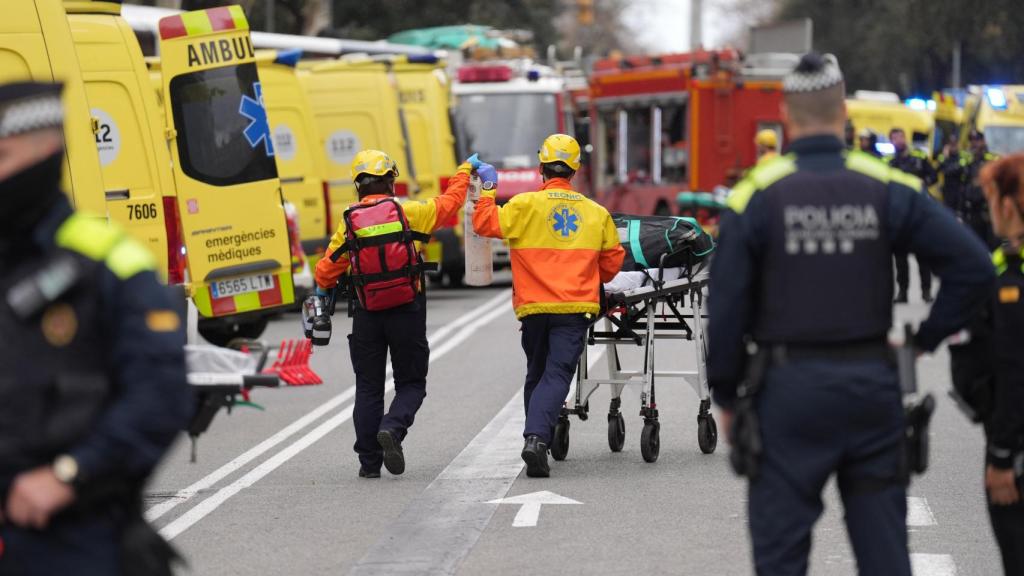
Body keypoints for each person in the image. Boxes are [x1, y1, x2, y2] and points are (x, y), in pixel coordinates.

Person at [709, 54, 993, 576]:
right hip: (872, 390)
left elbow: (723, 308)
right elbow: (974, 267)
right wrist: (922, 342)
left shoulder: (756, 193)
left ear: (784, 111)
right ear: (843, 109)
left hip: (785, 393)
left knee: (781, 560)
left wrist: (726, 397)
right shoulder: (886, 187)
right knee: (885, 556)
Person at [0, 82, 191, 575]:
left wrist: (70, 475)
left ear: (46, 152)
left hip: (76, 540)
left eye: (2, 155)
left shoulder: (105, 262)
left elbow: (160, 393)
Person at [472, 134, 624, 478]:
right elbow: (612, 265)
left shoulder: (523, 206)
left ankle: (537, 437)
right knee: (556, 375)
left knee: (537, 374)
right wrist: (585, 272)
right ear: (575, 170)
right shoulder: (595, 213)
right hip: (573, 310)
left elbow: (484, 224)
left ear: (541, 167)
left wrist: (488, 190)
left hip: (533, 309)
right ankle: (537, 440)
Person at [314, 149, 471, 478]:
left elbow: (325, 273)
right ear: (390, 181)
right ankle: (393, 428)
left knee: (368, 387)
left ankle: (369, 465)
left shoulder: (349, 223)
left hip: (367, 314)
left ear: (358, 185)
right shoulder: (411, 212)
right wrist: (464, 170)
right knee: (411, 383)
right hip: (406, 311)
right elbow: (451, 202)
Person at [949, 154, 1024, 575]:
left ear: (1008, 207)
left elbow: (1016, 374)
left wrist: (1001, 458)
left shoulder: (1012, 281)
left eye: (992, 198)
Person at [889, 127, 939, 303]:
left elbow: (934, 176)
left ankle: (926, 291)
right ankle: (902, 292)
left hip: (918, 212)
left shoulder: (919, 158)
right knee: (900, 259)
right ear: (891, 141)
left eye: (900, 136)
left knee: (923, 256)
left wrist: (924, 183)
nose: (898, 140)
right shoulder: (889, 162)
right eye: (894, 138)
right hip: (900, 214)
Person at [941, 129, 1000, 246]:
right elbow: (951, 175)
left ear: (983, 142)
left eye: (977, 140)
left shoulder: (992, 159)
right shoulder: (966, 160)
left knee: (992, 245)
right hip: (971, 210)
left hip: (989, 210)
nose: (974, 144)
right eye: (972, 141)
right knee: (975, 245)